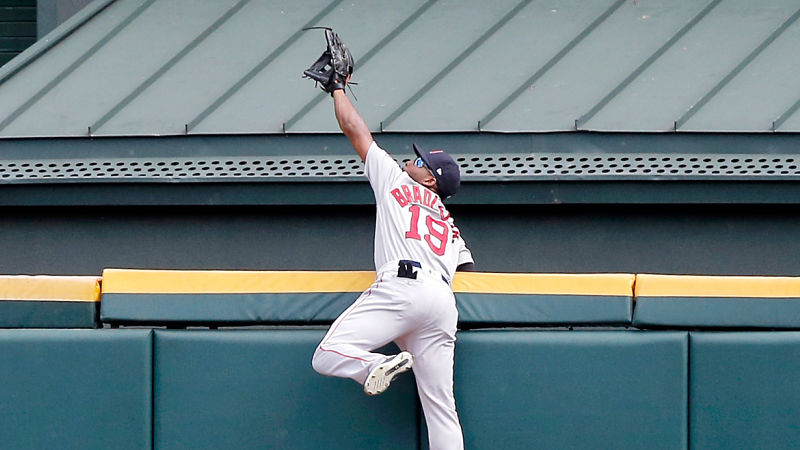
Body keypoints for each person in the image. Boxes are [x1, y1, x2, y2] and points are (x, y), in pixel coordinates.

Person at [311, 84, 475, 450]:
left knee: (327, 354)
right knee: (442, 410)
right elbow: (467, 271)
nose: (411, 162)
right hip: (442, 303)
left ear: (430, 179)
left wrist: (337, 89)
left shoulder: (396, 181)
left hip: (403, 286)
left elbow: (355, 129)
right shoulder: (450, 224)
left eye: (421, 163)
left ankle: (371, 366)